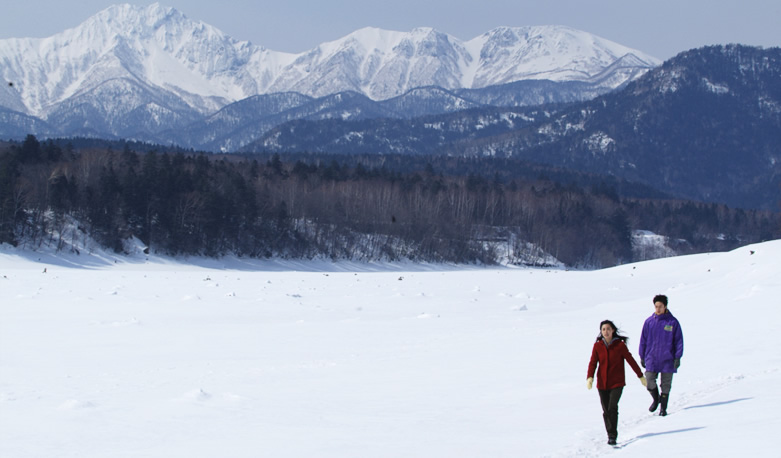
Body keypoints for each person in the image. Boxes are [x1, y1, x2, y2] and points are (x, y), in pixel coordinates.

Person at [587, 320, 646, 445]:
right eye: (603, 329)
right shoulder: (597, 346)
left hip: (617, 383)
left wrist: (640, 376)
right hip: (602, 383)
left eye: (608, 329)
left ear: (613, 330)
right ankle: (610, 433)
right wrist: (590, 377)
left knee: (612, 407)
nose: (606, 332)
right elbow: (593, 362)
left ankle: (612, 436)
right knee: (606, 410)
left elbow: (630, 360)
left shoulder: (620, 345)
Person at [639, 294, 684, 416]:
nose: (658, 309)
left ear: (665, 307)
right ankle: (656, 399)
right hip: (652, 358)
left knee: (666, 384)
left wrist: (677, 357)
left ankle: (663, 408)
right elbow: (643, 340)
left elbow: (678, 341)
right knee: (649, 380)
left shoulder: (672, 322)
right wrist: (642, 356)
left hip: (667, 358)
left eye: (660, 306)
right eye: (656, 306)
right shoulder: (649, 322)